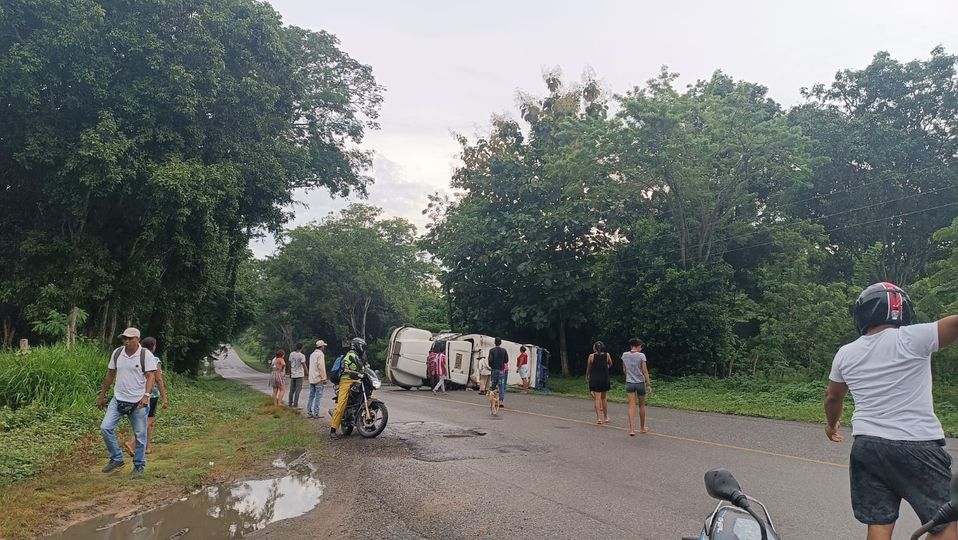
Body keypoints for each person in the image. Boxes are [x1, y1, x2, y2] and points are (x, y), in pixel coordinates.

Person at [824, 282, 958, 540]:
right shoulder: (914, 337)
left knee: (879, 523)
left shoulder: (846, 353)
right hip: (917, 446)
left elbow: (832, 398)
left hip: (867, 447)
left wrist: (831, 425)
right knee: (948, 522)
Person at [96, 327, 158, 477]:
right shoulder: (117, 353)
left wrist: (146, 395)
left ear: (138, 339)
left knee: (140, 434)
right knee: (105, 428)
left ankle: (138, 465)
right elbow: (110, 375)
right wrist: (102, 395)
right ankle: (117, 458)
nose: (126, 341)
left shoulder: (145, 355)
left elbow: (151, 376)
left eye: (129, 338)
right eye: (124, 338)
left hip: (138, 402)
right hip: (118, 399)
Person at [124, 337, 168, 456]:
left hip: (137, 393)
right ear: (153, 346)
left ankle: (147, 447)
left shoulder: (137, 357)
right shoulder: (154, 359)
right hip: (151, 394)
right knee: (150, 419)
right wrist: (164, 397)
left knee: (147, 420)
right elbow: (158, 379)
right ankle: (131, 442)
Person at [330, 337, 366, 439]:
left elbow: (365, 369)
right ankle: (333, 429)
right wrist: (351, 371)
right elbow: (345, 367)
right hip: (346, 381)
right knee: (341, 404)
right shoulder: (350, 355)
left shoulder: (359, 358)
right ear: (358, 346)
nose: (363, 348)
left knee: (371, 397)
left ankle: (368, 421)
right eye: (362, 346)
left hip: (358, 381)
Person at [621, 338, 651, 436]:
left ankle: (632, 430)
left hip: (629, 382)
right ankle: (642, 428)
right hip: (640, 383)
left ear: (631, 346)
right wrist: (648, 384)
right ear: (638, 346)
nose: (641, 349)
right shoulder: (641, 355)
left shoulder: (625, 355)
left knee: (631, 406)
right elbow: (645, 370)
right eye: (641, 346)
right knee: (641, 405)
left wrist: (629, 376)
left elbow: (624, 369)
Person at [585, 341, 612, 424]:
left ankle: (598, 418)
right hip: (604, 378)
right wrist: (605, 367)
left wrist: (587, 376)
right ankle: (606, 417)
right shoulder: (607, 355)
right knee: (604, 398)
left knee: (597, 398)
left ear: (595, 348)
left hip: (595, 378)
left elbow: (588, 368)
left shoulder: (591, 356)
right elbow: (610, 364)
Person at [306, 340, 328, 418]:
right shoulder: (320, 354)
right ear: (321, 346)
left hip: (312, 378)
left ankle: (309, 412)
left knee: (311, 396)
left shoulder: (312, 354)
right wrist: (324, 378)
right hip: (318, 378)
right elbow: (321, 367)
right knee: (318, 396)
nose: (324, 347)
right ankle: (316, 413)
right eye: (323, 346)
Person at [488, 338, 509, 408]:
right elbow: (506, 360)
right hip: (501, 371)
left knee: (493, 386)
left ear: (495, 343)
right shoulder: (504, 351)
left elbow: (490, 360)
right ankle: (501, 401)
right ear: (500, 343)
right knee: (501, 386)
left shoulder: (491, 350)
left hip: (494, 370)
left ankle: (493, 400)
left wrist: (491, 365)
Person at [287, 343, 307, 408]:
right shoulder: (302, 355)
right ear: (301, 348)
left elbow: (289, 363)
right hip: (300, 374)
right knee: (298, 390)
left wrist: (290, 372)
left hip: (293, 373)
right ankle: (295, 404)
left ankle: (290, 403)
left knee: (291, 389)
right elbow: (304, 365)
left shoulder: (291, 354)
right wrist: (307, 373)